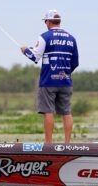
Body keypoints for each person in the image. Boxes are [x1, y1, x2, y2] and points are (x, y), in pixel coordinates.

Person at [21, 10, 79, 143]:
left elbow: (35, 56)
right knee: (66, 112)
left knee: (48, 112)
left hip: (48, 81)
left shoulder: (44, 37)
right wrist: (65, 73)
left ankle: (48, 144)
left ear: (48, 21)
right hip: (66, 81)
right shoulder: (71, 38)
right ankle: (67, 144)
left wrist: (25, 50)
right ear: (59, 21)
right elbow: (75, 62)